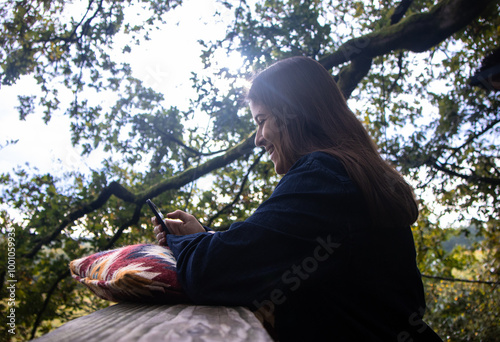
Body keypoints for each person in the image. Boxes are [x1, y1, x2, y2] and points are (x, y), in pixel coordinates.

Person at [152, 56, 442, 341]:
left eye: (262, 120)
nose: (258, 138)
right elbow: (264, 245)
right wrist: (203, 236)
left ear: (293, 113)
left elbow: (210, 273)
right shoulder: (347, 177)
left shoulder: (323, 176)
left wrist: (184, 242)